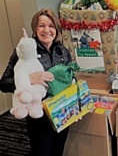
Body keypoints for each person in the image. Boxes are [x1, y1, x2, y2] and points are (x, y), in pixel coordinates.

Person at [0, 8, 72, 156]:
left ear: (56, 29)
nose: (47, 30)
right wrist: (28, 80)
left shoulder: (62, 51)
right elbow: (3, 83)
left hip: (62, 112)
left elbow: (70, 80)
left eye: (51, 26)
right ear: (35, 28)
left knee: (58, 151)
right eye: (41, 25)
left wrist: (77, 105)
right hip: (39, 115)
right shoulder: (25, 50)